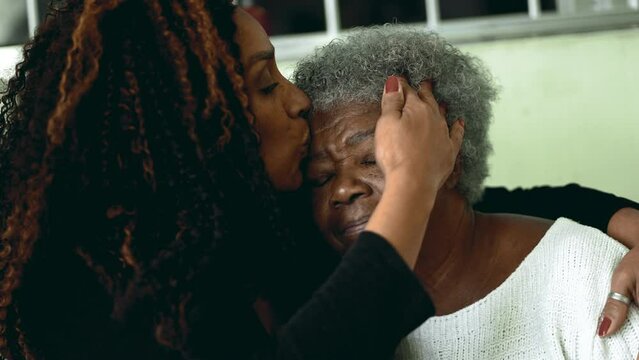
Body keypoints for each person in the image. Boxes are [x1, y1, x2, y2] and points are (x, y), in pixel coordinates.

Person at [0, 1, 463, 359]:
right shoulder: (94, 291)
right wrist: (410, 178)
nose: (298, 99)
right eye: (266, 85)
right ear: (189, 124)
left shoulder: (256, 228)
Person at [294, 25, 639, 358]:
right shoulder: (318, 309)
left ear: (450, 155)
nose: (342, 189)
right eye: (319, 178)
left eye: (373, 158)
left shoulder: (580, 276)